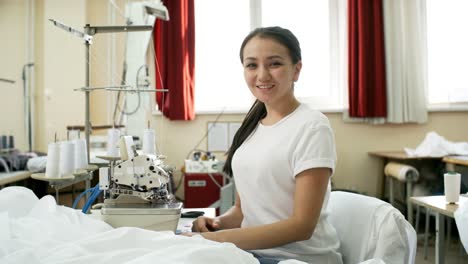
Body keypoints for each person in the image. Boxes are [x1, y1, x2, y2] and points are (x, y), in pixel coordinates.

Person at [184, 26, 342, 264]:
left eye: (274, 63)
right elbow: (242, 211)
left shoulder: (312, 127)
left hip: (298, 259)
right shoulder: (251, 129)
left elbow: (302, 227)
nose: (262, 75)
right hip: (252, 254)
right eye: (252, 65)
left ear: (296, 70)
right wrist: (216, 224)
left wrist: (220, 240)